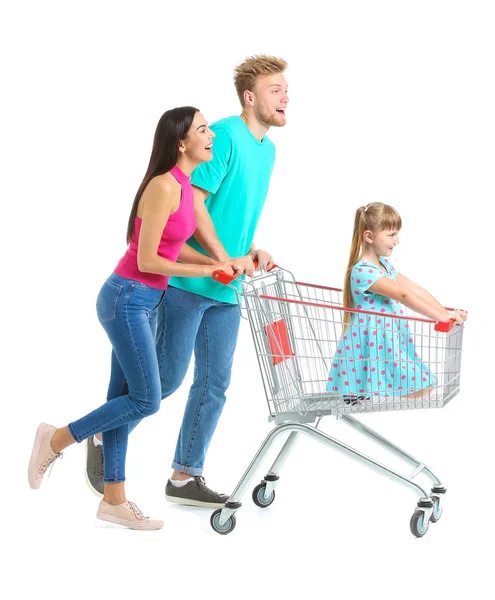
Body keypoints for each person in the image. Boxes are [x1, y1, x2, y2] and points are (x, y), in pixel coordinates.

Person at [85, 55, 289, 506]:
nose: (286, 97)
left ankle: (184, 476)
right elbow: (189, 210)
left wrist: (247, 253)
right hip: (187, 285)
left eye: (285, 89)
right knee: (165, 382)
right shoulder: (226, 137)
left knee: (215, 383)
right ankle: (100, 433)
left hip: (228, 285)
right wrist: (216, 260)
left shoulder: (268, 150)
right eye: (276, 89)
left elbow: (234, 218)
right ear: (250, 97)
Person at [28, 107, 235, 530]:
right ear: (181, 142)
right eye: (202, 129)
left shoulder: (182, 184)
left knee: (121, 402)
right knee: (146, 399)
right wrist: (205, 271)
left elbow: (173, 248)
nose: (211, 134)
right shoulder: (162, 186)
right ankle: (55, 438)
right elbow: (146, 257)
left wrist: (222, 262)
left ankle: (113, 500)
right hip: (126, 298)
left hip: (146, 301)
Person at [327, 202, 467, 402]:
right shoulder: (363, 271)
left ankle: (363, 395)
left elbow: (415, 289)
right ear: (369, 236)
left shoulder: (384, 266)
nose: (397, 240)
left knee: (424, 385)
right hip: (370, 347)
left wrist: (447, 313)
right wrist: (443, 317)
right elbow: (403, 295)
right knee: (422, 386)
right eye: (391, 234)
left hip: (389, 342)